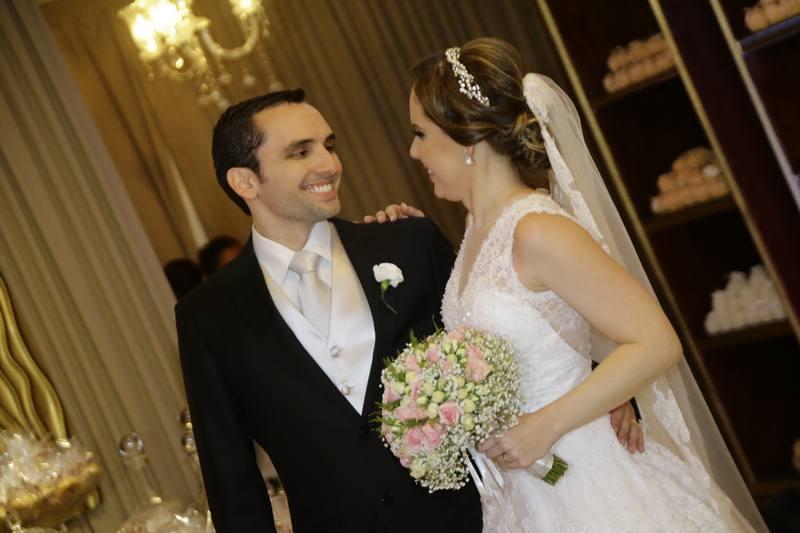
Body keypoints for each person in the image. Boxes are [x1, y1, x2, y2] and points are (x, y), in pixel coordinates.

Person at [176, 88, 642, 532]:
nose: (329, 164)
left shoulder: (407, 243)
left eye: (329, 146)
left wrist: (602, 387)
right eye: (300, 152)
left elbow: (501, 333)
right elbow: (232, 482)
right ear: (245, 181)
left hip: (474, 520)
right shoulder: (208, 315)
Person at [403, 37, 765, 532]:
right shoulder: (473, 232)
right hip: (524, 499)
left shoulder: (537, 230)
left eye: (421, 134)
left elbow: (657, 341)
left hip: (589, 485)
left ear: (466, 136)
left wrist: (543, 425)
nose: (413, 150)